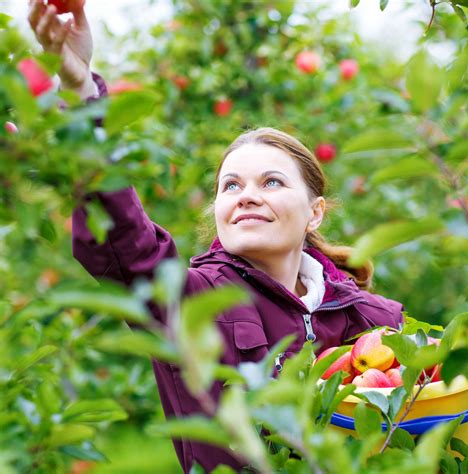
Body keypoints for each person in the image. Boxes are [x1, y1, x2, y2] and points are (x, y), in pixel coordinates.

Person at [28, 2, 404, 472]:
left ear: (315, 213)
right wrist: (80, 87)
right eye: (231, 185)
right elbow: (126, 246)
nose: (246, 196)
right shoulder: (194, 301)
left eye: (271, 182)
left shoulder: (373, 319)